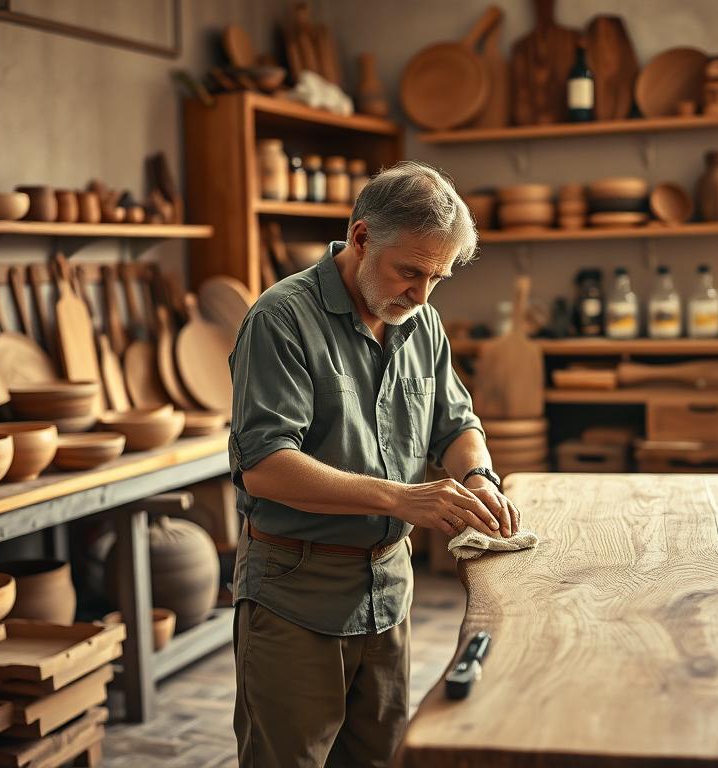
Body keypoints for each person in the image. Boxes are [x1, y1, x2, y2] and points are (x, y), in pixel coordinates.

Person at [229, 160, 519, 767]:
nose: (422, 295)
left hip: (387, 590)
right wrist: (403, 498)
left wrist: (477, 476)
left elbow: (457, 423)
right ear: (361, 237)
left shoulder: (420, 321)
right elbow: (265, 464)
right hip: (296, 592)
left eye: (437, 277)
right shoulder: (281, 319)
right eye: (409, 271)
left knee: (379, 759)